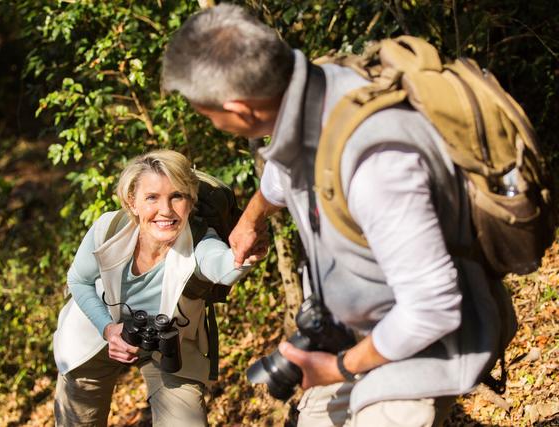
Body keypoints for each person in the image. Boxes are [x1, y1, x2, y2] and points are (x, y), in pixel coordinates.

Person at [162, 5, 517, 427]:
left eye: (210, 116)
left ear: (239, 110)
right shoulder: (316, 89)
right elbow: (283, 172)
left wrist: (342, 367)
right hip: (345, 334)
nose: (216, 125)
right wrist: (251, 219)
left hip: (415, 352)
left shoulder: (375, 163)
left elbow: (432, 308)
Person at [53, 149, 264, 426]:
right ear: (132, 202)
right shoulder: (109, 229)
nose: (165, 210)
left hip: (168, 344)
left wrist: (243, 256)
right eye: (152, 197)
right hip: (95, 334)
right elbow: (78, 280)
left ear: (191, 201)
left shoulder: (200, 242)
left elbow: (221, 266)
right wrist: (108, 328)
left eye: (177, 196)